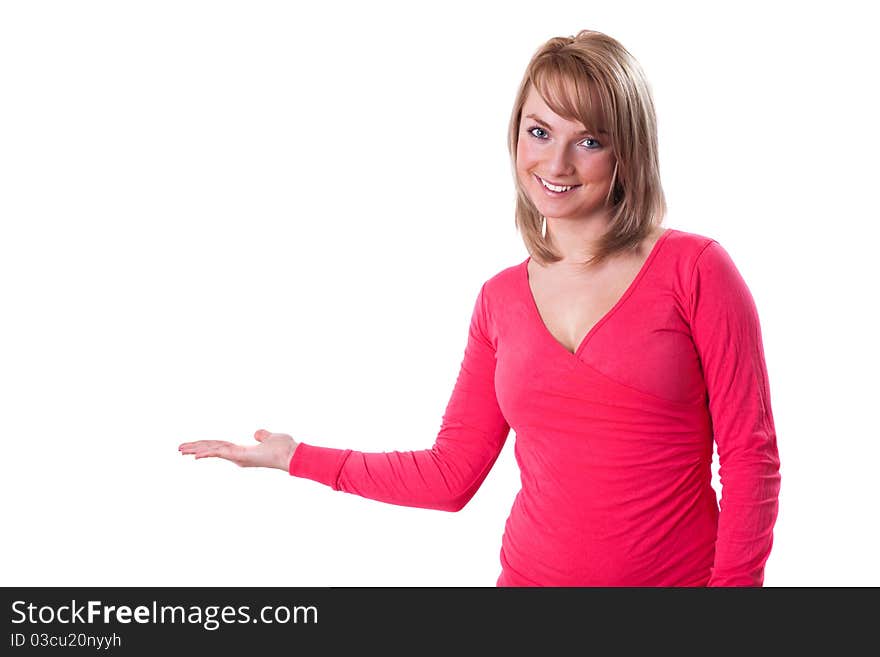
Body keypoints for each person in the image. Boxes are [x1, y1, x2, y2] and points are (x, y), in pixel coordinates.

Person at [178, 29, 781, 587]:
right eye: (539, 132)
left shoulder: (697, 270)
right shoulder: (500, 299)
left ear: (627, 153)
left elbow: (752, 462)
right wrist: (296, 458)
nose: (556, 163)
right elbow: (451, 475)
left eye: (589, 141)